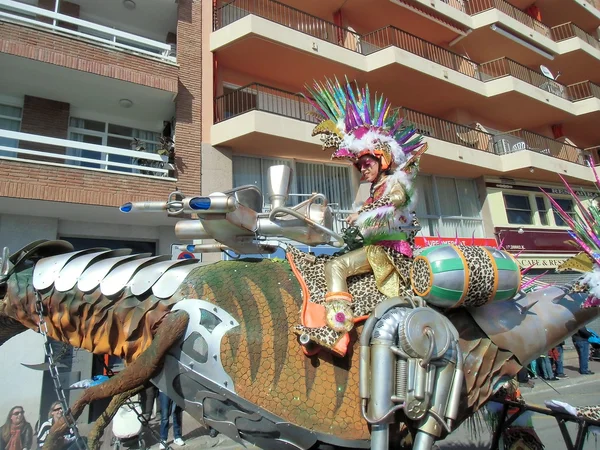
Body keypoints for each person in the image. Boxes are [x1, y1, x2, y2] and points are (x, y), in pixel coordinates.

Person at [297, 77, 427, 355]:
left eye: (366, 163)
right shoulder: (369, 188)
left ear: (383, 159)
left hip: (389, 252)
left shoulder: (397, 185)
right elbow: (362, 217)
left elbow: (393, 212)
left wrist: (363, 217)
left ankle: (337, 332)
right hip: (373, 248)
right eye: (359, 165)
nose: (362, 169)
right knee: (327, 262)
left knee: (336, 268)